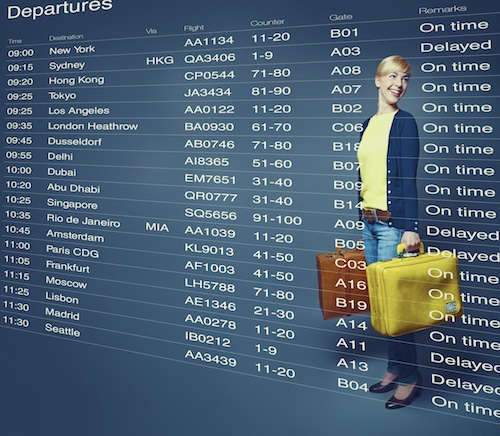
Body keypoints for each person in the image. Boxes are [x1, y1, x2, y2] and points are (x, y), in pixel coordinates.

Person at [357, 55, 422, 409]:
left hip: (394, 228)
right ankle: (395, 369)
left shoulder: (406, 122)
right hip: (371, 224)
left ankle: (411, 378)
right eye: (393, 76)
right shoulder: (367, 123)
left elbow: (407, 178)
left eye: (406, 78)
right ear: (378, 80)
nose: (399, 83)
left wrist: (410, 229)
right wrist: (364, 216)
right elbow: (365, 175)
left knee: (396, 308)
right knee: (382, 306)